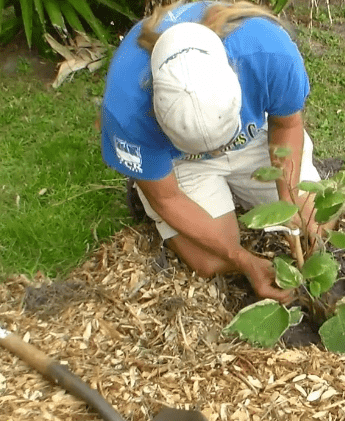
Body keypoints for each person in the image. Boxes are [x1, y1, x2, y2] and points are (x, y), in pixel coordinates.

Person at [100, 1, 323, 303]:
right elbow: (167, 198)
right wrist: (241, 258)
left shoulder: (267, 50)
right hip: (181, 162)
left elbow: (285, 126)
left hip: (252, 136)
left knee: (315, 218)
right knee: (210, 262)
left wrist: (289, 199)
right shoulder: (126, 108)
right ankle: (146, 175)